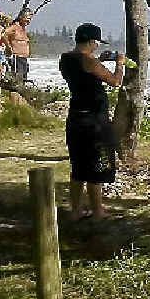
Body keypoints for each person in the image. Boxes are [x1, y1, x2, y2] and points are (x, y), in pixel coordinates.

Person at [59, 23, 124, 221]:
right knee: (98, 166)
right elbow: (115, 81)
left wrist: (99, 61)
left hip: (76, 118)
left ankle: (76, 210)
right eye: (96, 43)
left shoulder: (66, 58)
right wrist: (119, 63)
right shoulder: (89, 62)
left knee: (78, 166)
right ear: (92, 41)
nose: (97, 47)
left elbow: (85, 72)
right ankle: (98, 211)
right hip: (95, 121)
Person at [2, 9, 33, 83]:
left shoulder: (22, 28)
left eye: (30, 19)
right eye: (27, 18)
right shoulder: (15, 27)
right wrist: (8, 47)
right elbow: (4, 35)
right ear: (21, 17)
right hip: (17, 57)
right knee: (18, 80)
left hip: (23, 58)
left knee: (23, 79)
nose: (29, 21)